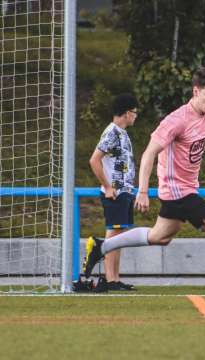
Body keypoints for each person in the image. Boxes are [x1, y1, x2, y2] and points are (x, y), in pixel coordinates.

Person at [84, 66, 205, 299]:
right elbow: (149, 154)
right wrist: (143, 191)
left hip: (187, 188)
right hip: (177, 191)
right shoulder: (176, 120)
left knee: (160, 237)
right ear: (196, 91)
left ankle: (100, 246)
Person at [88, 94, 138, 292]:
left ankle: (115, 278)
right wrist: (108, 187)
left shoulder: (122, 133)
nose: (135, 117)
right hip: (115, 193)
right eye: (134, 113)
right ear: (127, 113)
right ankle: (110, 279)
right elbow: (94, 160)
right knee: (113, 234)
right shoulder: (112, 132)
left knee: (120, 236)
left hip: (124, 192)